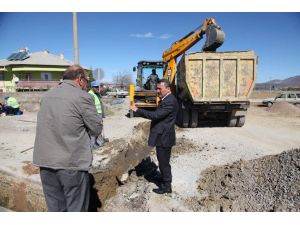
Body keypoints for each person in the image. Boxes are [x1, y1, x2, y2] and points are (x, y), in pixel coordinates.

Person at [33, 65, 103, 212]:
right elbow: (96, 128)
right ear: (79, 79)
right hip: (71, 163)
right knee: (76, 209)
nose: (86, 84)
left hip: (45, 163)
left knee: (56, 209)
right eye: (86, 80)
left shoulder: (46, 96)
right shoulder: (82, 96)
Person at [130, 79, 179, 194]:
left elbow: (156, 115)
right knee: (162, 161)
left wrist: (138, 110)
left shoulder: (170, 101)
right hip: (163, 136)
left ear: (168, 88)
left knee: (164, 163)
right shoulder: (166, 99)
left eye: (159, 89)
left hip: (165, 137)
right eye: (157, 88)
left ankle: (167, 186)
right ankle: (164, 180)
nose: (157, 91)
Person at [88, 80, 106, 148]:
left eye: (98, 87)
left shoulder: (96, 94)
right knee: (93, 130)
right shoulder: (90, 94)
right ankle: (92, 145)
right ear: (93, 87)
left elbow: (99, 105)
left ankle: (100, 143)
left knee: (99, 129)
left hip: (98, 115)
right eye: (97, 87)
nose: (98, 89)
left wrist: (102, 116)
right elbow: (90, 107)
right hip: (94, 116)